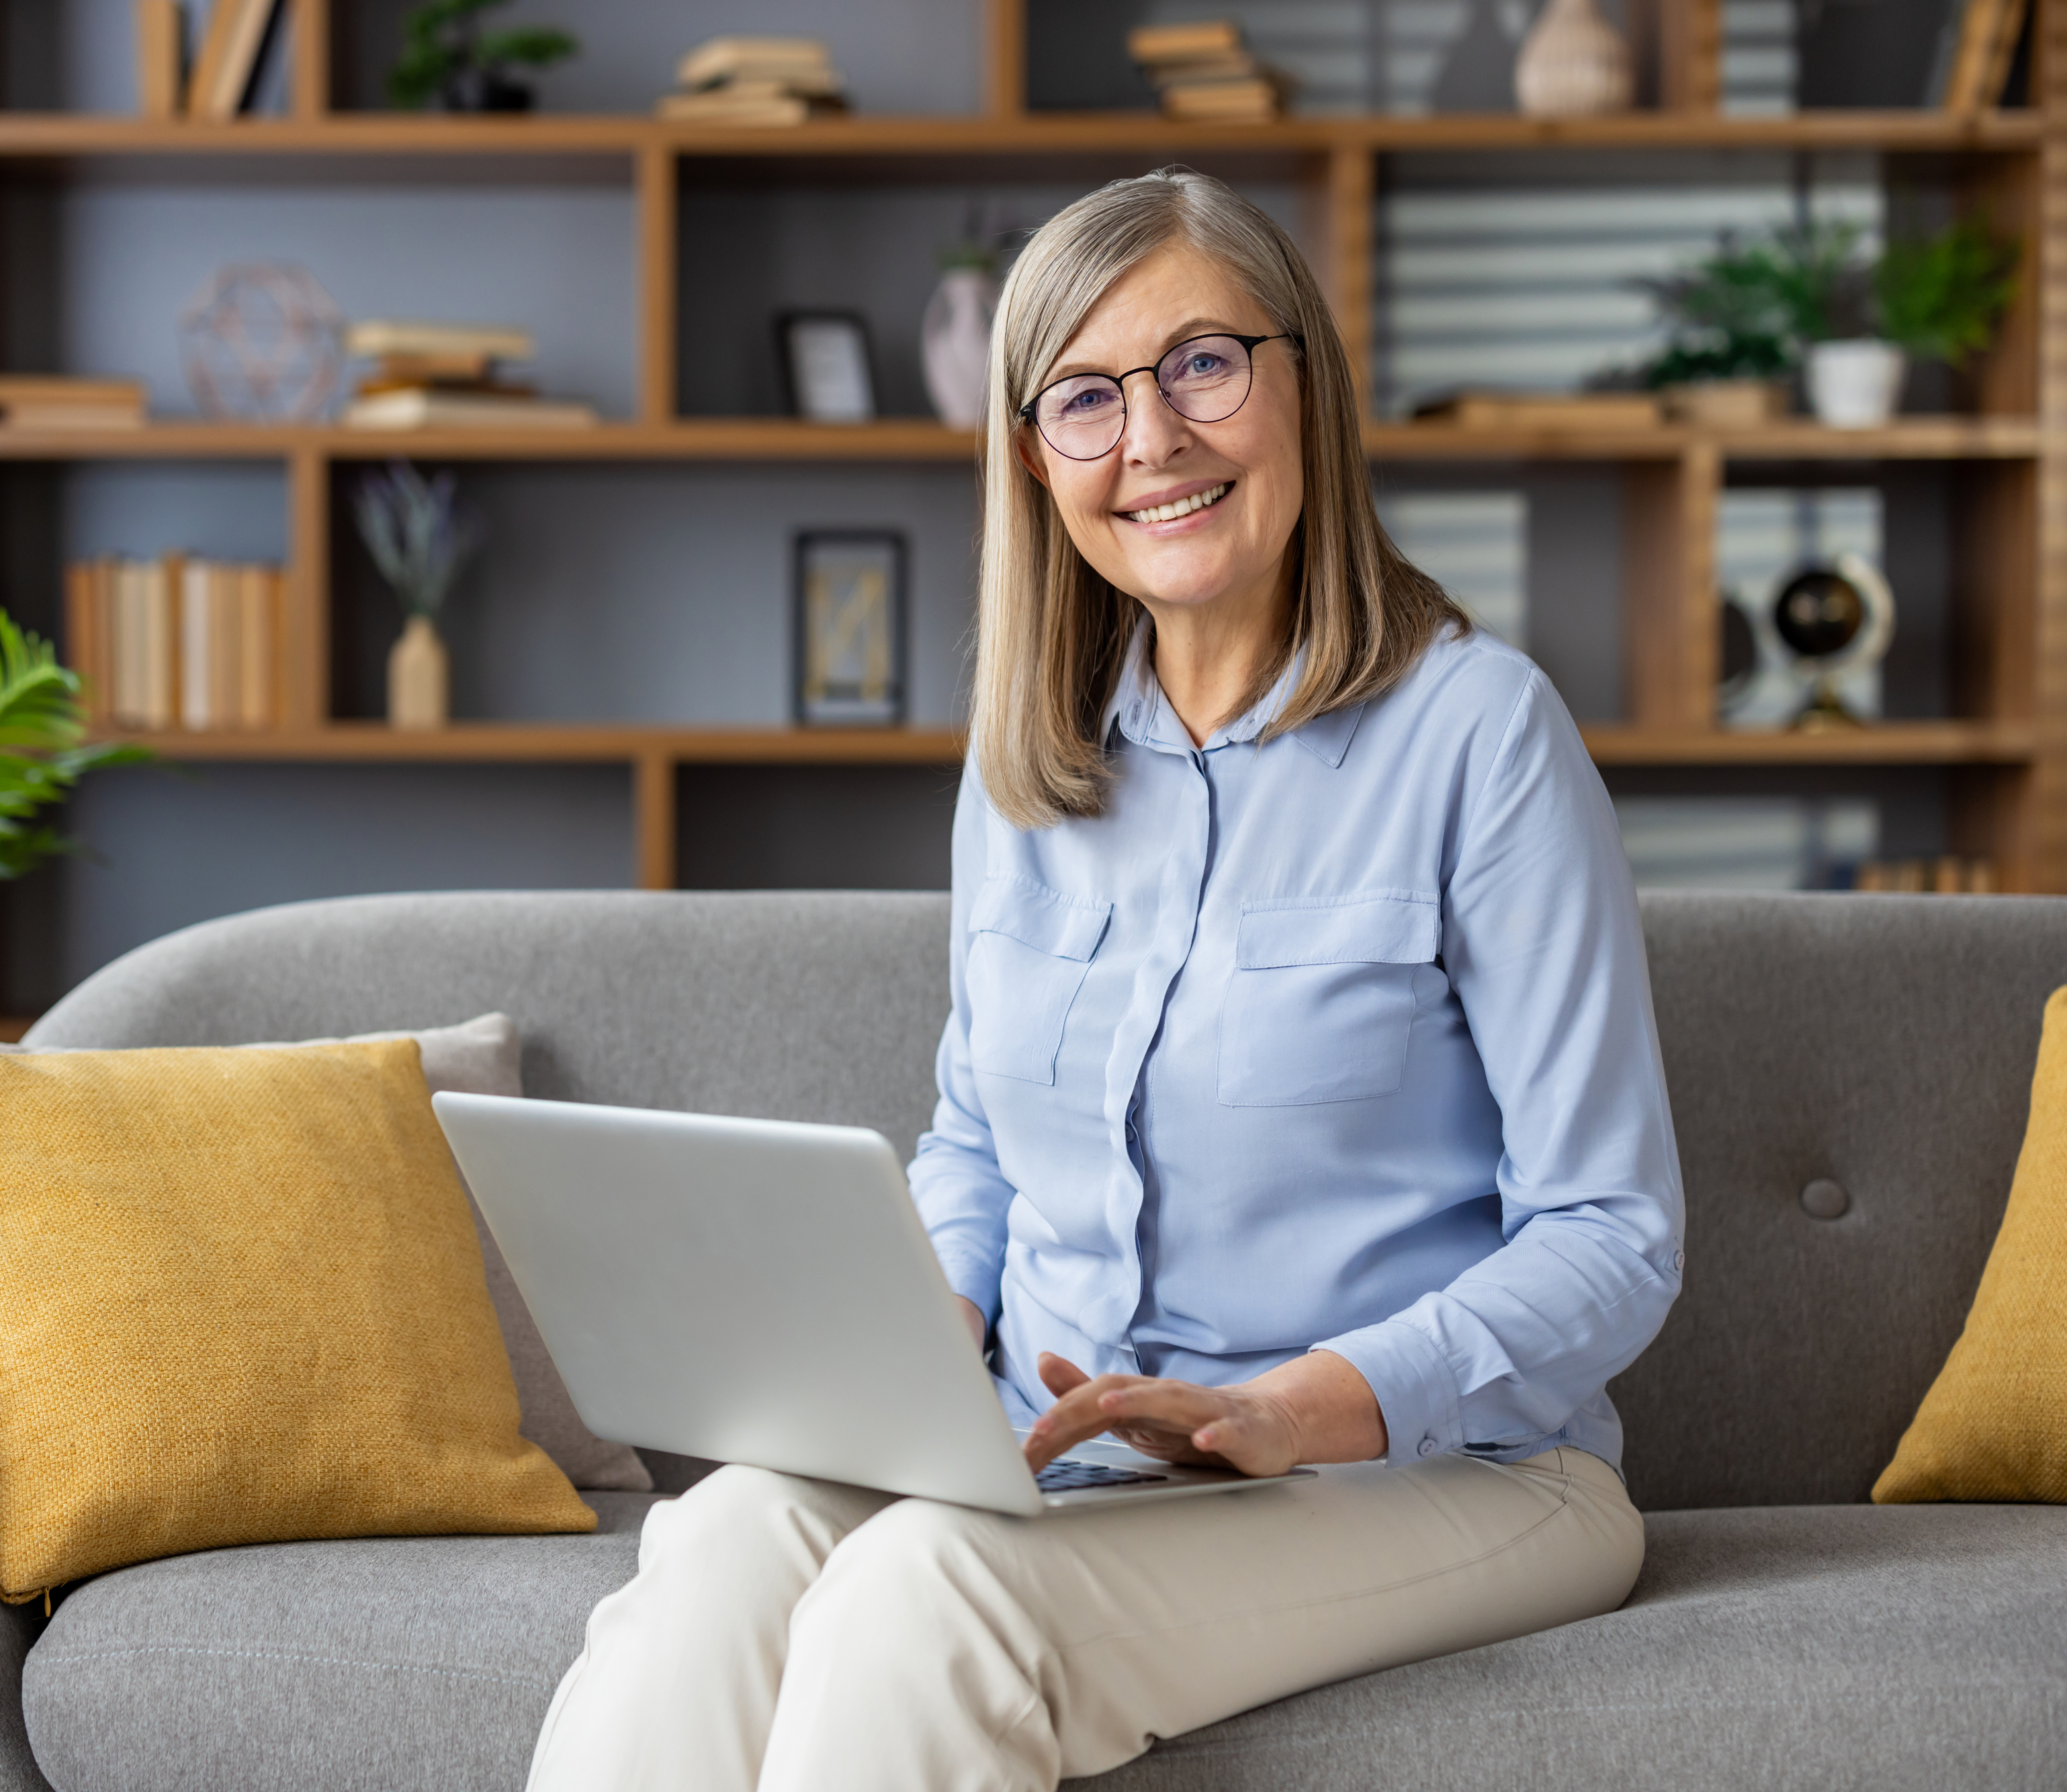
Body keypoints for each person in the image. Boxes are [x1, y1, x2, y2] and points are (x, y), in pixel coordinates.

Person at [524, 167, 1683, 1792]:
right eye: (1083, 395)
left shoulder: (1479, 736)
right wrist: (918, 1325)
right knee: (719, 1539)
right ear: (1032, 458)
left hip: (1449, 1473)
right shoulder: (1028, 765)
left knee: (930, 1600)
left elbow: (1610, 1234)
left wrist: (1300, 1402)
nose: (1150, 438)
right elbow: (977, 1142)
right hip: (1047, 1452)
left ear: (1303, 385)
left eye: (1202, 362)